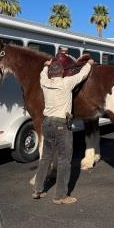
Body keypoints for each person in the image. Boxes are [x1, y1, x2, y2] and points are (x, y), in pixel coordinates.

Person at [32, 57, 94, 204]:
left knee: (45, 157)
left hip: (46, 124)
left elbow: (42, 73)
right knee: (64, 160)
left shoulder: (44, 83)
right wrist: (89, 64)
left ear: (50, 73)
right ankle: (60, 196)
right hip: (61, 125)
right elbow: (82, 75)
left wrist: (45, 66)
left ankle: (37, 189)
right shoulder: (66, 83)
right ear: (61, 73)